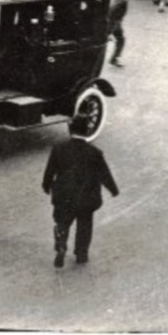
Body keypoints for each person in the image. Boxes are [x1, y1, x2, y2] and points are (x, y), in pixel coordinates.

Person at [42, 113, 119, 268]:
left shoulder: (59, 149)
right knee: (85, 225)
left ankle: (61, 243)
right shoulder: (95, 153)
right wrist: (113, 189)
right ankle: (81, 253)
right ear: (87, 131)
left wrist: (46, 185)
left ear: (70, 129)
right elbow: (104, 174)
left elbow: (50, 171)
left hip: (65, 196)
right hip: (86, 197)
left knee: (63, 221)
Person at [108, 0, 130, 67]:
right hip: (115, 23)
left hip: (116, 22)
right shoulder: (123, 0)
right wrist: (110, 31)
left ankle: (114, 58)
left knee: (120, 39)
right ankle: (114, 58)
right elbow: (112, 11)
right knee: (120, 40)